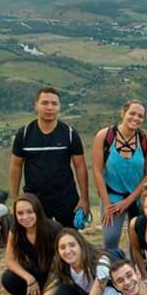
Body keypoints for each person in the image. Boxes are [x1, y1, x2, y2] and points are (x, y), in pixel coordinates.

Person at [10, 87, 89, 228]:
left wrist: (84, 199)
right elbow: (16, 166)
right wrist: (15, 199)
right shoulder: (24, 134)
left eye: (54, 104)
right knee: (37, 242)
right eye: (44, 103)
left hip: (66, 198)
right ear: (36, 105)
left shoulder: (70, 134)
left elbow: (80, 166)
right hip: (35, 199)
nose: (49, 107)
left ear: (59, 107)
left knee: (68, 240)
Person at [92, 100, 147, 250]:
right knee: (110, 239)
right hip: (112, 197)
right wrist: (107, 203)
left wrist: (128, 201)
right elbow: (97, 170)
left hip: (138, 197)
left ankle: (137, 272)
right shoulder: (105, 136)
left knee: (138, 242)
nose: (136, 118)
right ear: (123, 113)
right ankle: (114, 271)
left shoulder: (146, 141)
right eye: (132, 113)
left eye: (140, 116)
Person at [2, 194, 62, 295]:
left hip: (57, 275)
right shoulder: (16, 229)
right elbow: (9, 260)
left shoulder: (54, 229)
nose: (25, 217)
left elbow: (60, 266)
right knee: (8, 278)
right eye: (20, 213)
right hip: (35, 273)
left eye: (30, 212)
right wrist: (29, 278)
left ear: (38, 211)